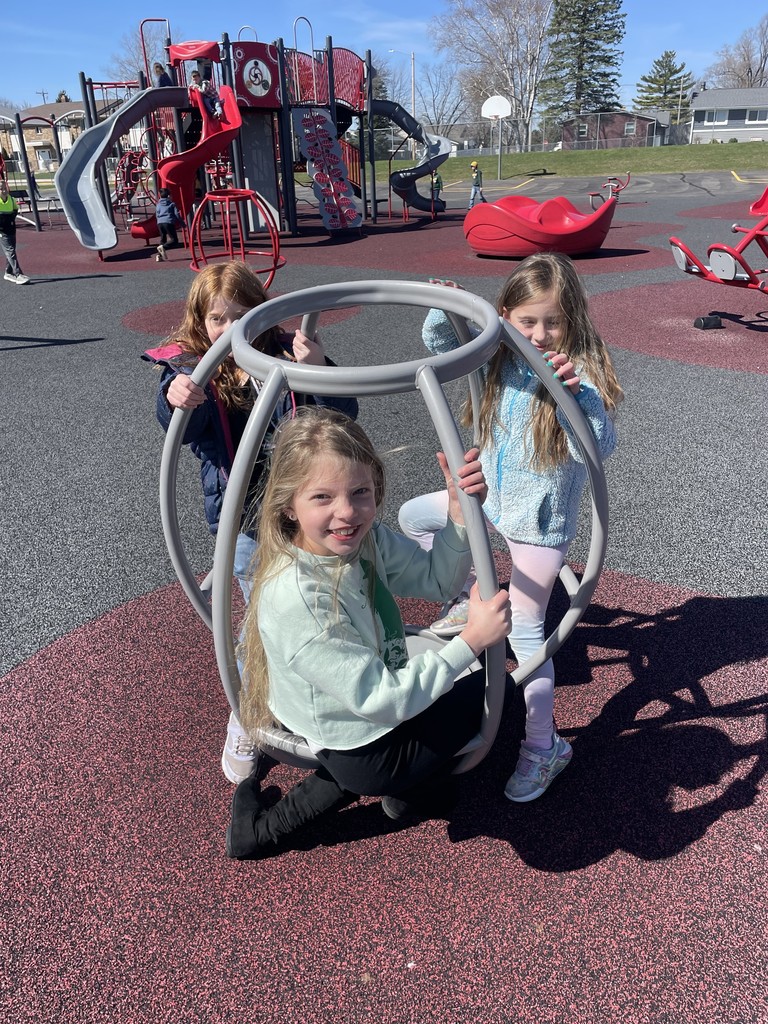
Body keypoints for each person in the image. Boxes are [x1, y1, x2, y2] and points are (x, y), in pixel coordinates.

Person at [227, 407, 511, 860]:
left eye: (360, 492)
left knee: (446, 700)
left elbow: (438, 581)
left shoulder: (366, 540)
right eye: (322, 497)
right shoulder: (298, 596)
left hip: (344, 714)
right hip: (357, 734)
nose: (347, 512)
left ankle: (259, 833)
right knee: (499, 694)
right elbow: (381, 700)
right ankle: (409, 790)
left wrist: (457, 515)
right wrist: (469, 642)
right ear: (288, 506)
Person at [398, 253, 623, 803]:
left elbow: (597, 449)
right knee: (413, 516)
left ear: (571, 322)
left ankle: (544, 747)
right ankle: (461, 596)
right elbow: (440, 343)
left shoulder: (578, 373)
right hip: (492, 501)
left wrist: (574, 395)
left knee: (525, 635)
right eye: (528, 321)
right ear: (505, 318)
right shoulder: (498, 358)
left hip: (539, 527)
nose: (540, 334)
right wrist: (445, 304)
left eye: (553, 321)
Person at [142, 263, 358, 784]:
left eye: (244, 315)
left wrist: (320, 365)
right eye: (219, 319)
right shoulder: (196, 367)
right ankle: (248, 711)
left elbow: (344, 414)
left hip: (298, 512)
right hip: (242, 521)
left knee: (317, 602)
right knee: (261, 618)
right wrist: (178, 399)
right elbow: (184, 427)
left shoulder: (284, 352)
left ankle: (313, 692)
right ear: (201, 320)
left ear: (264, 313)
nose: (231, 328)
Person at [0, 179, 29, 285]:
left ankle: (8, 272)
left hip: (11, 229)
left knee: (11, 251)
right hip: (2, 231)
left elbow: (15, 211)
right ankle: (18, 274)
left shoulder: (11, 200)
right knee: (10, 251)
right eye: (0, 189)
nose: (3, 190)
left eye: (5, 188)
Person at [154, 188, 184, 261]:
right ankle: (164, 247)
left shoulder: (158, 205)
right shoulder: (172, 204)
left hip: (160, 223)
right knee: (174, 240)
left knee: (163, 239)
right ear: (168, 196)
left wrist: (159, 221)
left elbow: (157, 214)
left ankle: (159, 256)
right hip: (168, 222)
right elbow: (177, 214)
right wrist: (182, 223)